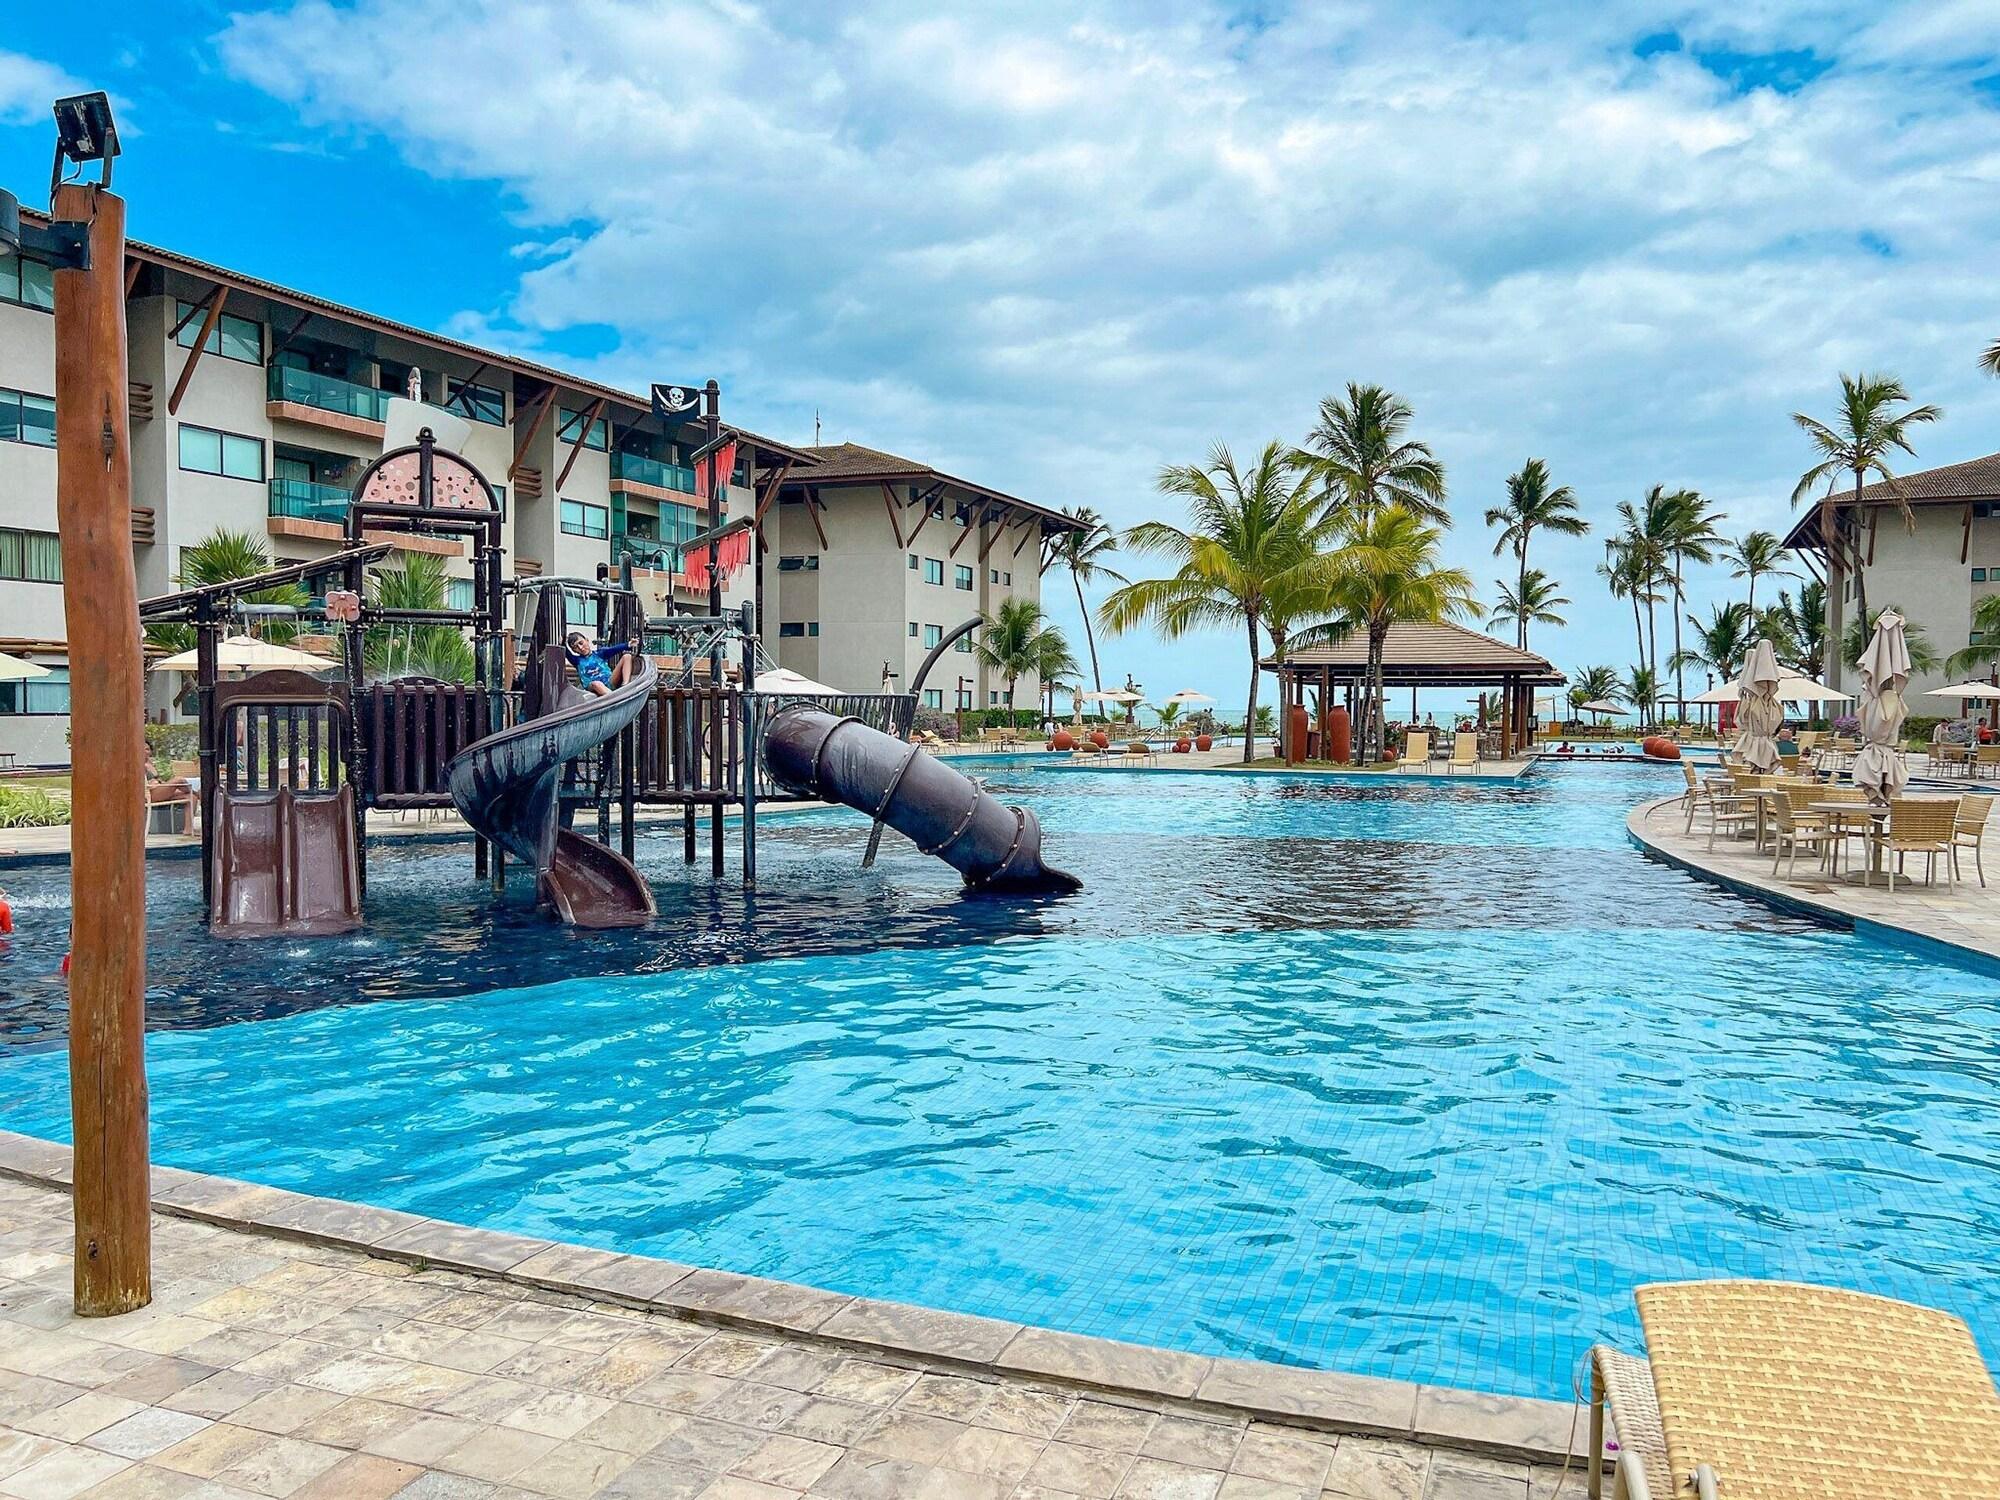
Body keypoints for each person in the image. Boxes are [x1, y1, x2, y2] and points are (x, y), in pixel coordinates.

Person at [564, 631, 638, 697]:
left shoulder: (599, 654)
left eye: (581, 643)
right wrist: (562, 641)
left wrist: (628, 644)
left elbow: (613, 649)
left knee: (627, 656)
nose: (580, 647)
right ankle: (616, 699)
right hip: (594, 687)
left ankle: (625, 686)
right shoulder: (577, 661)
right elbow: (566, 653)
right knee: (597, 684)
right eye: (576, 647)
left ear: (586, 640)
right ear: (574, 651)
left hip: (609, 681)